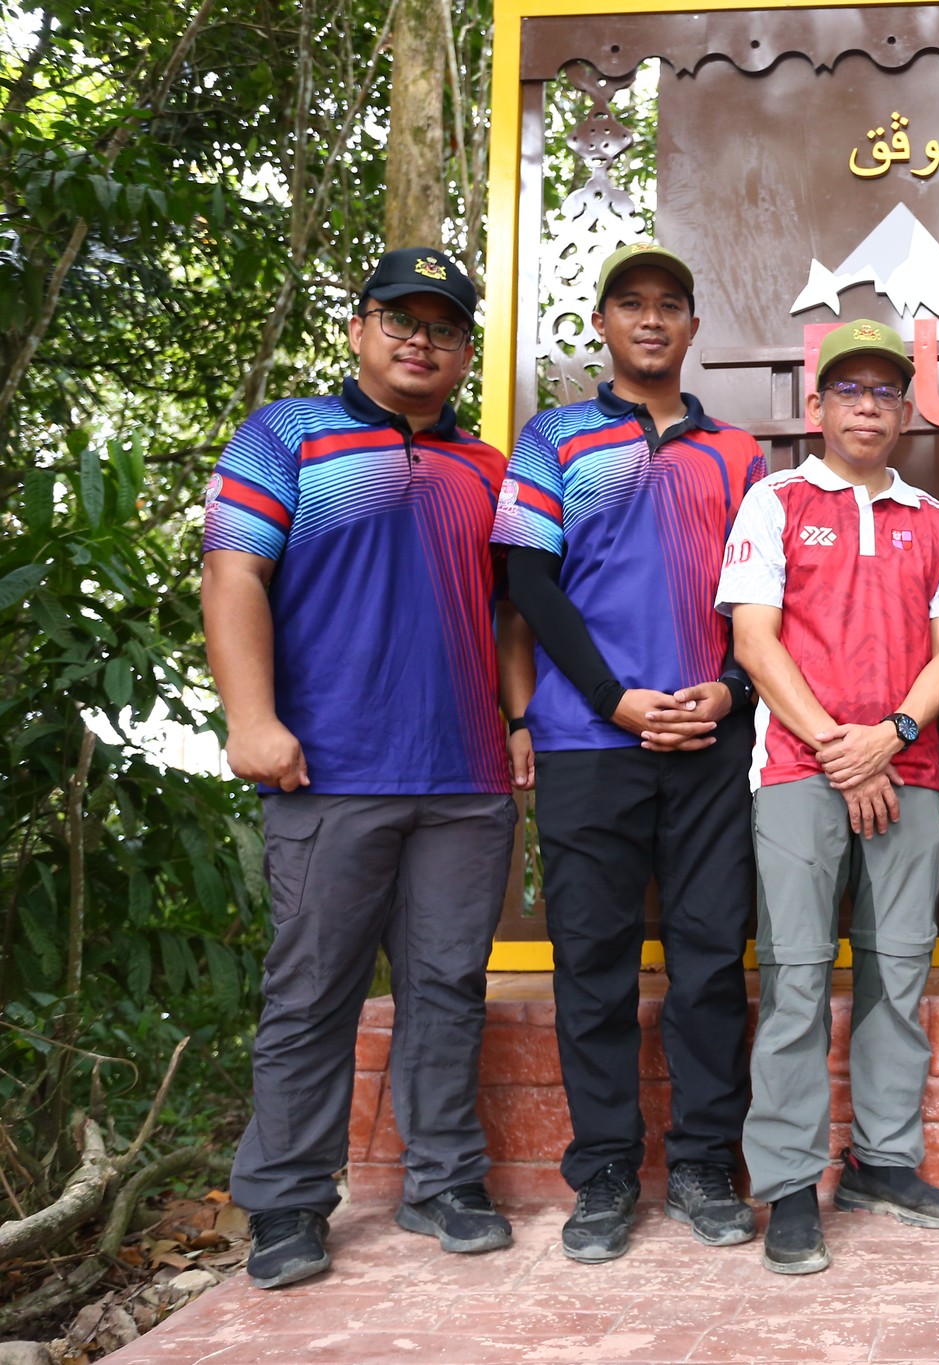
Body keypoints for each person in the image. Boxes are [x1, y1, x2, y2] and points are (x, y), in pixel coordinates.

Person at [204, 248, 523, 1288]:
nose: (419, 341)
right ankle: (288, 1203)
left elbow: (508, 609)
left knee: (447, 986)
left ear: (465, 349)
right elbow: (232, 571)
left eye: (442, 327)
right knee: (310, 993)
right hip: (326, 768)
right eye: (401, 320)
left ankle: (441, 1181)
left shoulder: (487, 467)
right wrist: (250, 718)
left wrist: (520, 720)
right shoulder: (288, 434)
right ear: (359, 327)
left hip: (466, 775)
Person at [491, 242, 765, 1262]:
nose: (651, 321)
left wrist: (729, 690)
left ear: (692, 329)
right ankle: (604, 1171)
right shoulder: (553, 439)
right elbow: (527, 581)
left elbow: (761, 602)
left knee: (705, 961)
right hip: (585, 741)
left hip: (706, 739)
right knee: (592, 964)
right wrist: (613, 700)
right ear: (603, 324)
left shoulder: (736, 455)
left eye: (670, 306)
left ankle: (701, 1163)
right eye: (631, 305)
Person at [718, 319, 939, 1275]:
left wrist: (893, 738)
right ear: (818, 406)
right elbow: (755, 640)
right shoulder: (776, 501)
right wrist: (843, 751)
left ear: (905, 411)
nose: (867, 405)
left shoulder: (934, 520)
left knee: (897, 974)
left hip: (907, 771)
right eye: (850, 389)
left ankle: (882, 1162)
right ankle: (789, 1183)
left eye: (885, 391)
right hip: (799, 773)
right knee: (794, 975)